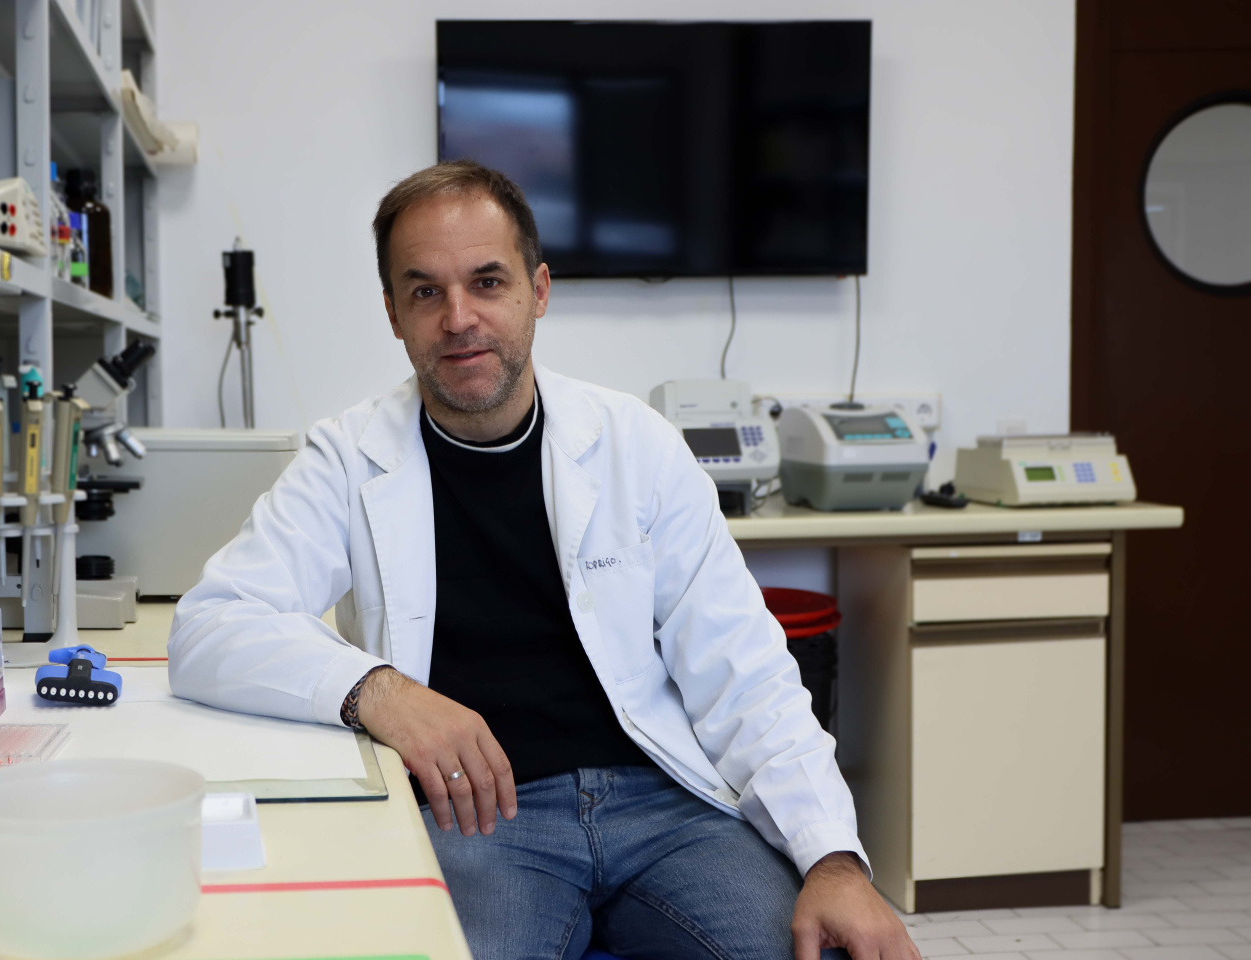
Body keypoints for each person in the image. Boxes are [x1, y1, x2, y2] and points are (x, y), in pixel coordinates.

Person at [168, 161, 919, 960]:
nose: (459, 318)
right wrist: (379, 692)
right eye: (425, 291)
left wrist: (835, 860)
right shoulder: (348, 458)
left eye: (487, 282)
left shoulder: (636, 446)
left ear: (539, 289)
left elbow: (748, 671)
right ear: (393, 314)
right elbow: (211, 626)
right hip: (478, 817)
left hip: (667, 810)